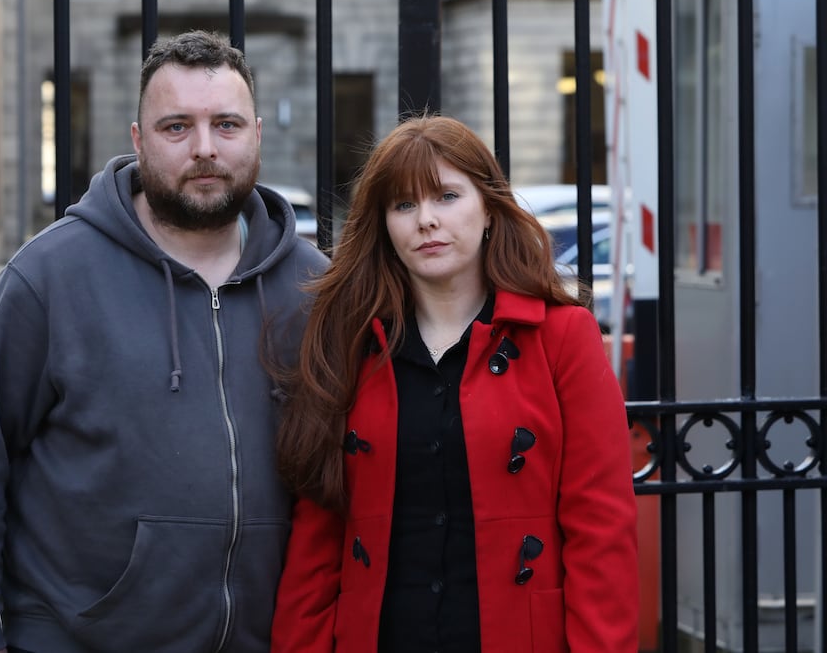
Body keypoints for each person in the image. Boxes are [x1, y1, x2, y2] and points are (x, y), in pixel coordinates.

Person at [0, 30, 328, 653]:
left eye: (226, 124)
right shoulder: (51, 276)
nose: (204, 148)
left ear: (257, 135)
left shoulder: (314, 286)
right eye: (175, 127)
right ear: (138, 141)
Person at [271, 114, 638, 652]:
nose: (426, 220)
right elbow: (317, 537)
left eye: (446, 196)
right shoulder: (347, 347)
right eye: (403, 204)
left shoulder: (563, 337)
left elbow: (601, 530)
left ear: (488, 207)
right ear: (384, 225)